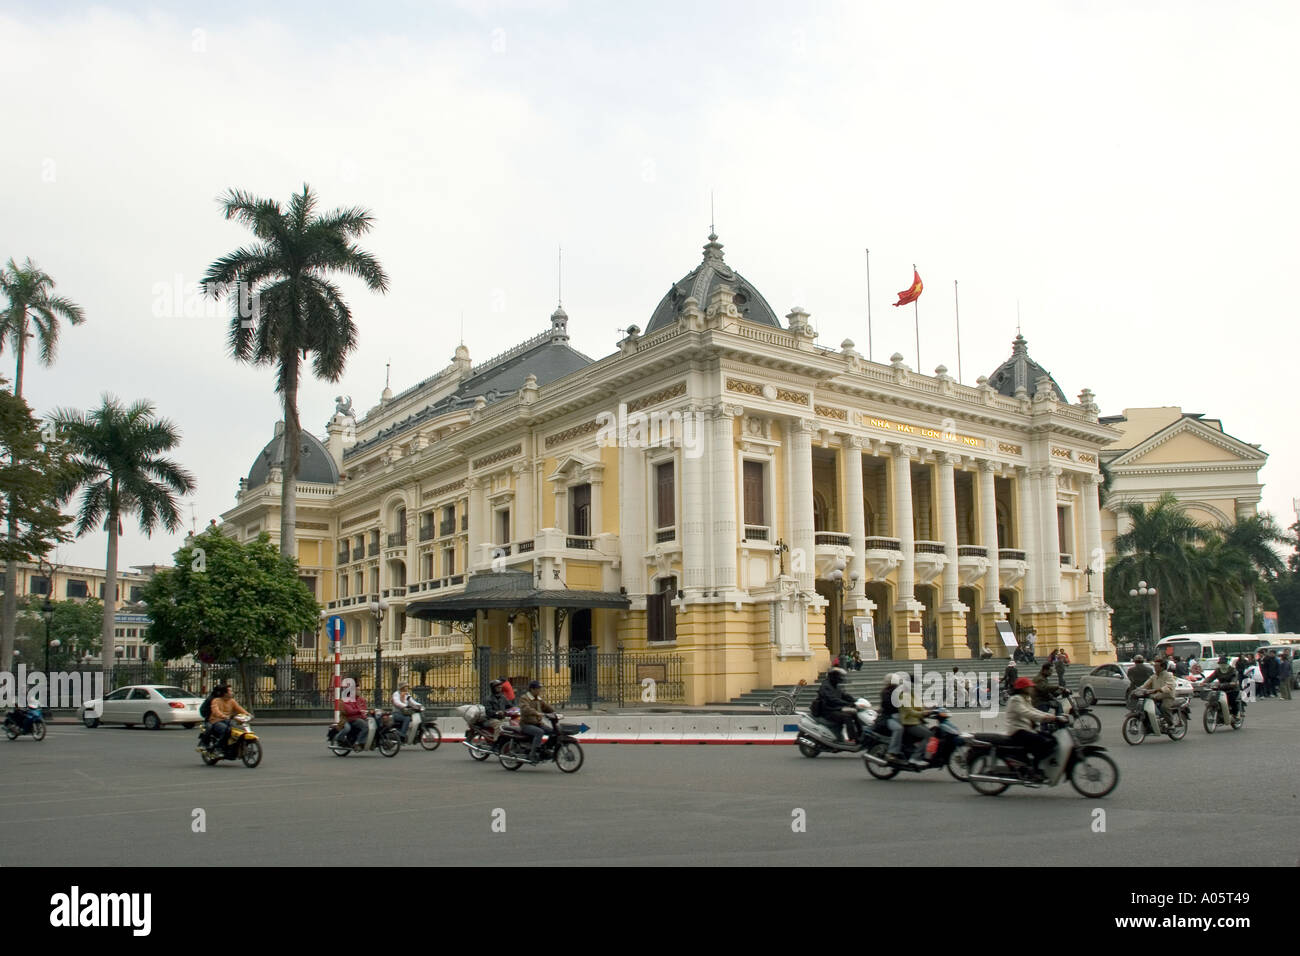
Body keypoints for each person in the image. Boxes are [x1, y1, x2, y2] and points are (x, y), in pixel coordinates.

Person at [1005, 677, 1066, 773]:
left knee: (1052, 739)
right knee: (1045, 742)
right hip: (1017, 731)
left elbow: (1034, 710)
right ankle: (1034, 766)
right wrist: (1050, 718)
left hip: (1025, 729)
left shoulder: (1025, 698)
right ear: (1023, 688)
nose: (1032, 689)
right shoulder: (1015, 700)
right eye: (1029, 687)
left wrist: (1053, 716)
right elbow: (1028, 713)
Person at [816, 667, 859, 742]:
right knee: (847, 717)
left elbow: (843, 695)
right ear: (833, 676)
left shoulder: (834, 685)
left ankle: (860, 734)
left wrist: (855, 700)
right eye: (839, 676)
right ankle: (852, 739)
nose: (840, 678)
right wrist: (847, 703)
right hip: (828, 711)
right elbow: (832, 699)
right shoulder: (825, 686)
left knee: (855, 713)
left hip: (836, 709)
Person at [1135, 658, 1177, 728]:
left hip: (1167, 697)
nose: (1155, 667)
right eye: (1154, 666)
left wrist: (1159, 689)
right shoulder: (1154, 676)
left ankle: (1171, 724)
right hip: (1156, 696)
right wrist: (1138, 690)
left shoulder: (1168, 675)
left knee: (1164, 708)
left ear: (1163, 667)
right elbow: (1146, 685)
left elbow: (1170, 687)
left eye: (1157, 666)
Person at [518, 680, 555, 761]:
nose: (539, 690)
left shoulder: (538, 699)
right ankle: (533, 754)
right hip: (526, 724)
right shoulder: (524, 698)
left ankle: (545, 750)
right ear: (532, 689)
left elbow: (546, 707)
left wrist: (554, 711)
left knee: (553, 732)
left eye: (540, 689)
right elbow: (525, 709)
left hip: (537, 723)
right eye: (538, 689)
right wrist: (536, 713)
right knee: (539, 732)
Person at [207, 684, 249, 750]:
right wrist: (223, 716)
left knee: (240, 729)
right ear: (225, 693)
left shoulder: (232, 701)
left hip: (227, 720)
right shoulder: (216, 701)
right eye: (230, 691)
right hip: (216, 721)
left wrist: (248, 714)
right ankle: (218, 746)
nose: (232, 693)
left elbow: (239, 708)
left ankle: (235, 745)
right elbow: (215, 711)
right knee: (226, 730)